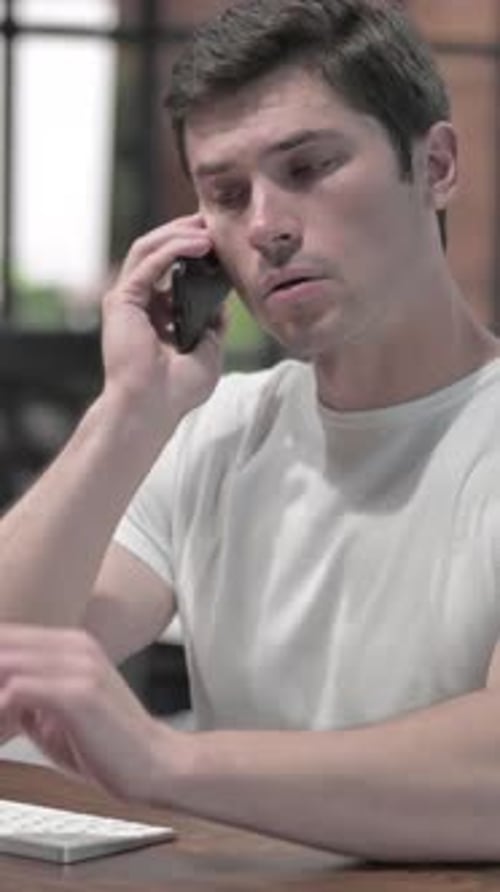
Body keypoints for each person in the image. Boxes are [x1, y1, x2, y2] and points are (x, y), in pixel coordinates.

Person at [1, 0, 500, 861]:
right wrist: (129, 411)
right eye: (226, 195)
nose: (266, 225)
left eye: (308, 167)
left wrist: (168, 762)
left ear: (437, 165)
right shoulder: (216, 433)